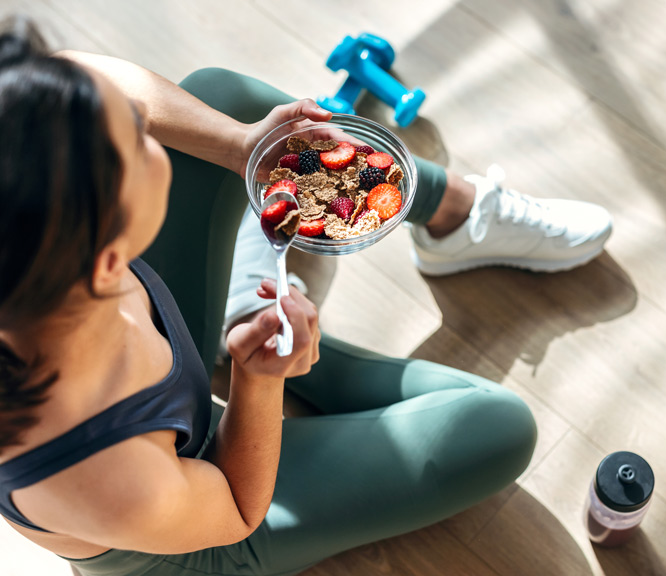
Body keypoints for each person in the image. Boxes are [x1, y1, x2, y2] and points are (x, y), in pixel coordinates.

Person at [0, 15, 541, 576]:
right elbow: (235, 508)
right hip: (200, 522)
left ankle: (448, 214)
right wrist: (258, 381)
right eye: (136, 139)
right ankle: (265, 339)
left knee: (223, 99)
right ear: (112, 258)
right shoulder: (103, 479)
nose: (143, 124)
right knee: (498, 425)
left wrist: (241, 144)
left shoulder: (43, 260)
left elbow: (74, 73)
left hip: (154, 382)